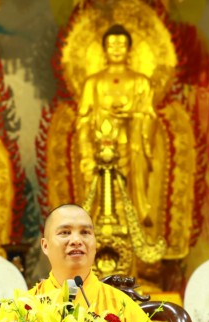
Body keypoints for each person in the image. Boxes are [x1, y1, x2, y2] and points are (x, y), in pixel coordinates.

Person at [33, 204, 163, 322]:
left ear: (95, 244)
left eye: (85, 232)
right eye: (65, 232)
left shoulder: (121, 305)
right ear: (45, 246)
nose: (76, 240)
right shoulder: (27, 306)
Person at [76, 24, 156, 225]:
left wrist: (132, 116)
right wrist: (86, 152)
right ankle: (98, 230)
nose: (117, 49)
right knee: (101, 194)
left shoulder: (141, 82)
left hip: (131, 146)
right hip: (99, 148)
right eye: (112, 45)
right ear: (104, 50)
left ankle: (132, 226)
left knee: (128, 193)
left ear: (129, 49)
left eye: (121, 45)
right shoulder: (93, 83)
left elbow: (149, 115)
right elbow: (83, 120)